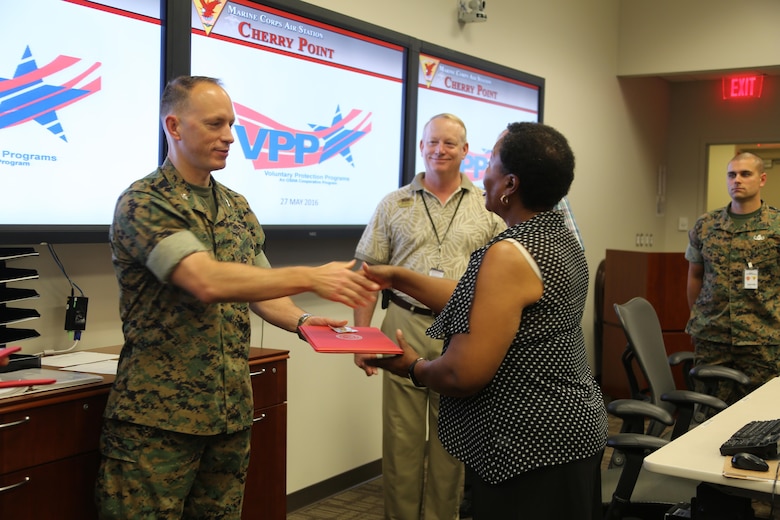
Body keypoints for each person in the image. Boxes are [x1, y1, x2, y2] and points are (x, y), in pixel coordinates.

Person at [94, 75, 379, 519]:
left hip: (228, 413)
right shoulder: (144, 202)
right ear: (174, 126)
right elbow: (205, 280)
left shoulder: (235, 205)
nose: (229, 136)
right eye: (214, 124)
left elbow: (259, 287)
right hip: (158, 420)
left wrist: (303, 321)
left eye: (231, 124)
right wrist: (310, 276)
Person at [363, 122, 608, 519]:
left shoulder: (511, 253)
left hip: (530, 444)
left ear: (510, 184)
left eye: (492, 161)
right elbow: (481, 301)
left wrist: (410, 366)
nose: (483, 173)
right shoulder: (557, 235)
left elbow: (463, 374)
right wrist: (400, 276)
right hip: (570, 431)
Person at [353, 113, 506, 519]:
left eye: (450, 143)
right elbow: (367, 276)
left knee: (452, 438)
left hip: (462, 328)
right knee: (401, 438)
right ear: (421, 147)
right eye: (433, 142)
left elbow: (502, 278)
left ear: (465, 151)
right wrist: (360, 336)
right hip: (403, 324)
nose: (440, 150)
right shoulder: (393, 203)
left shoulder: (487, 207)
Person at [685, 151, 780, 405]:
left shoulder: (776, 226)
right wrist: (698, 317)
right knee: (708, 413)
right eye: (731, 175)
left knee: (762, 416)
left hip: (763, 340)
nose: (737, 180)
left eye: (745, 174)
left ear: (761, 179)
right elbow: (695, 276)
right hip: (712, 338)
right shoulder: (705, 225)